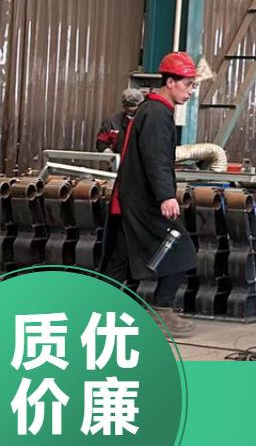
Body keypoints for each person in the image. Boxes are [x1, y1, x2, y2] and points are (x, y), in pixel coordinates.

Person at [101, 52, 199, 335]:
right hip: (144, 202)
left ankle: (97, 311)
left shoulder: (149, 109)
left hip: (130, 199)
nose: (190, 92)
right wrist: (166, 196)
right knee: (181, 248)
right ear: (170, 82)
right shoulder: (157, 114)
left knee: (121, 261)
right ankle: (162, 311)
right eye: (187, 85)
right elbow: (155, 159)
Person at [95, 88, 145, 153]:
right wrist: (108, 152)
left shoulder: (145, 122)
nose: (130, 109)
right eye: (127, 105)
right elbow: (101, 142)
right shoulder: (112, 121)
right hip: (118, 156)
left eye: (133, 105)